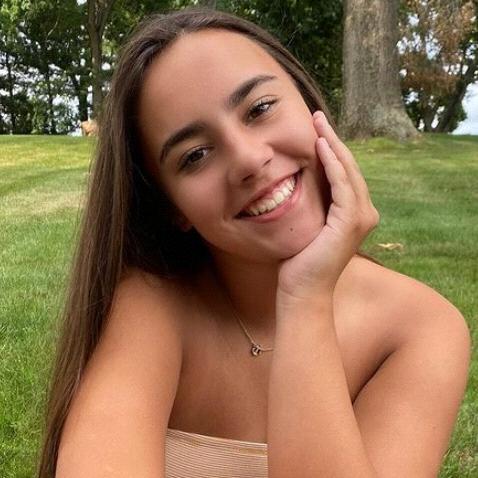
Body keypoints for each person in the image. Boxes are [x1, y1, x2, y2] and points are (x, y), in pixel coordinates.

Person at [37, 7, 471, 478]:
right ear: (173, 207)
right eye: (195, 156)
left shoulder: (420, 329)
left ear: (309, 105)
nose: (247, 159)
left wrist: (304, 300)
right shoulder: (153, 304)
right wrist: (305, 298)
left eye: (260, 109)